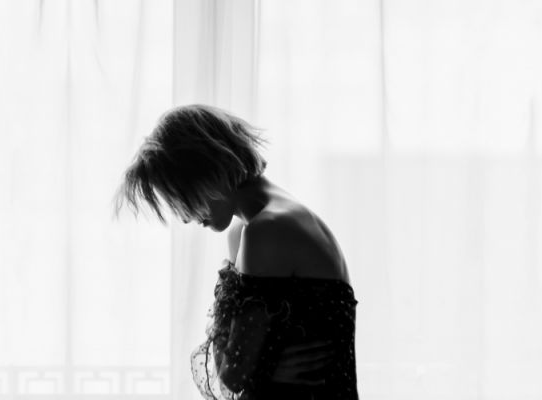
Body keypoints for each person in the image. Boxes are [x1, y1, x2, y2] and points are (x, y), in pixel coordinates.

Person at [114, 104, 359, 399]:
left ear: (206, 172)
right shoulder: (248, 230)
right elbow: (231, 367)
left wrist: (258, 365)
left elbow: (233, 372)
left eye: (182, 198)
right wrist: (265, 366)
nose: (185, 217)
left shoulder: (269, 230)